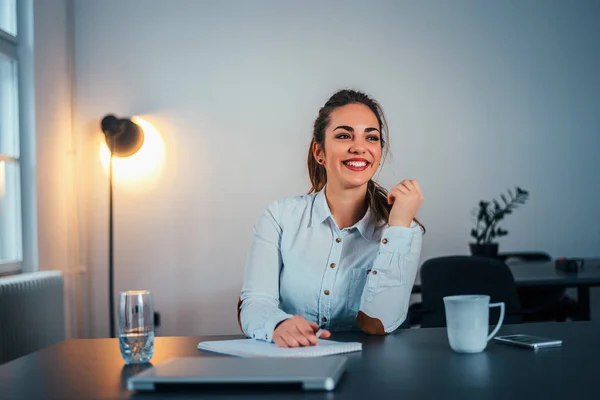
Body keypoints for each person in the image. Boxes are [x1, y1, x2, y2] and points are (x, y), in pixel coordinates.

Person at [237, 89, 424, 348]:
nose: (359, 147)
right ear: (319, 152)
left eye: (371, 137)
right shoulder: (279, 217)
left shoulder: (404, 230)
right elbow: (254, 303)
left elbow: (378, 323)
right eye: (344, 135)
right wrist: (278, 324)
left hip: (373, 374)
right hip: (293, 363)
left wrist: (398, 229)